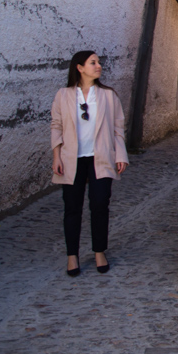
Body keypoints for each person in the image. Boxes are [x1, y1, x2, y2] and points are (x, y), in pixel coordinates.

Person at [51, 51, 128, 276]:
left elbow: (117, 127)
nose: (98, 66)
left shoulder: (107, 95)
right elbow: (56, 126)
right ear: (79, 67)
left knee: (100, 204)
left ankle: (99, 251)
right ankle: (72, 256)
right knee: (72, 207)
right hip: (70, 159)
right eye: (93, 63)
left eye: (99, 62)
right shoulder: (63, 95)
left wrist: (120, 154)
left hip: (100, 157)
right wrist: (56, 156)